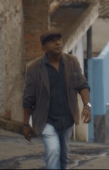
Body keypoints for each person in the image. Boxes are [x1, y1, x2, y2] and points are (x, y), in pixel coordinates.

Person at [22, 30, 91, 170]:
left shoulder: (72, 62)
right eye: (53, 41)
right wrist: (25, 124)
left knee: (64, 156)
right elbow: (28, 99)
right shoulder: (34, 68)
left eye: (59, 39)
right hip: (46, 120)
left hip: (67, 119)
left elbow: (82, 85)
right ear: (44, 47)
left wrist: (86, 106)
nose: (58, 43)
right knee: (53, 151)